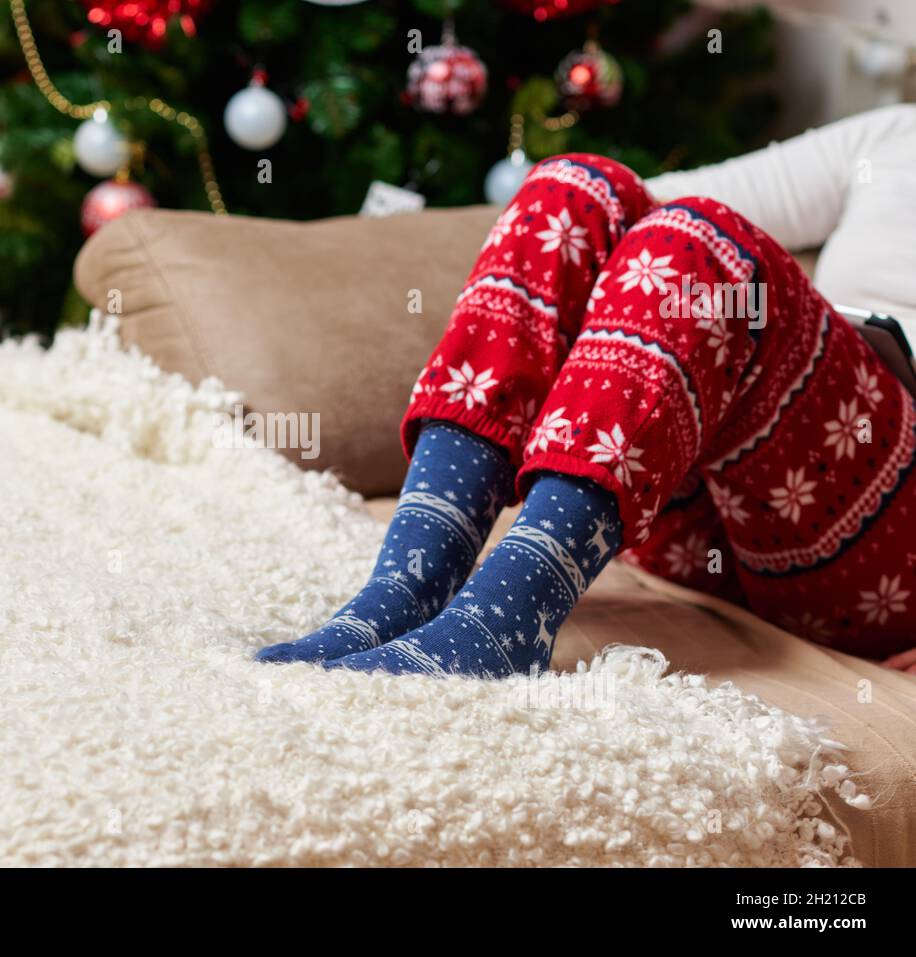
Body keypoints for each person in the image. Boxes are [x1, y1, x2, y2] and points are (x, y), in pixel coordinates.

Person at [257, 105, 916, 678]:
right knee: (573, 192)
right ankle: (403, 592)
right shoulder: (895, 138)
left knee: (708, 251)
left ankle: (503, 630)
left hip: (877, 547)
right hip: (700, 498)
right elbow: (662, 210)